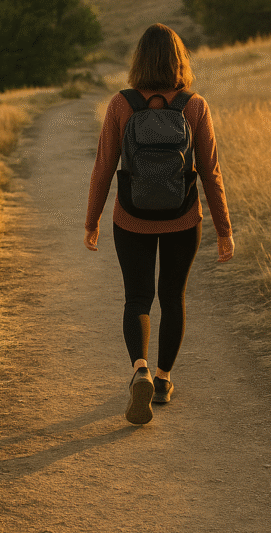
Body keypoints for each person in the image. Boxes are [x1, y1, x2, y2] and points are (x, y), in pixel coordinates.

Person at [84, 23, 234, 425]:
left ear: (138, 60)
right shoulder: (194, 105)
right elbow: (211, 172)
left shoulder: (121, 104)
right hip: (182, 218)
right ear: (180, 60)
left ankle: (140, 369)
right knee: (172, 298)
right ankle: (165, 379)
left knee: (137, 298)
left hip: (130, 218)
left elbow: (103, 168)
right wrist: (224, 229)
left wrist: (92, 221)